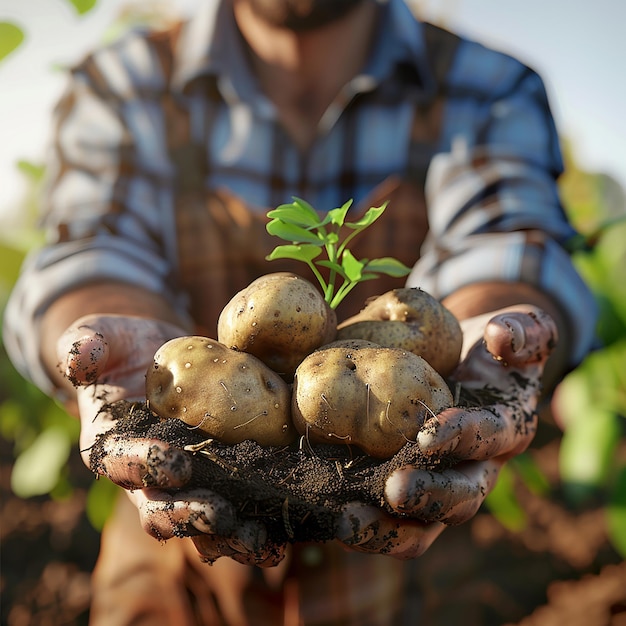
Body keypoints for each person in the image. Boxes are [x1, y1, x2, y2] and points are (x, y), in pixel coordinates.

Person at [3, 0, 597, 623]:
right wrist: (109, 335)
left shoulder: (489, 87)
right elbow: (93, 253)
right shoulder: (121, 84)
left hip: (418, 575)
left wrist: (487, 341)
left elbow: (507, 246)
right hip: (176, 573)